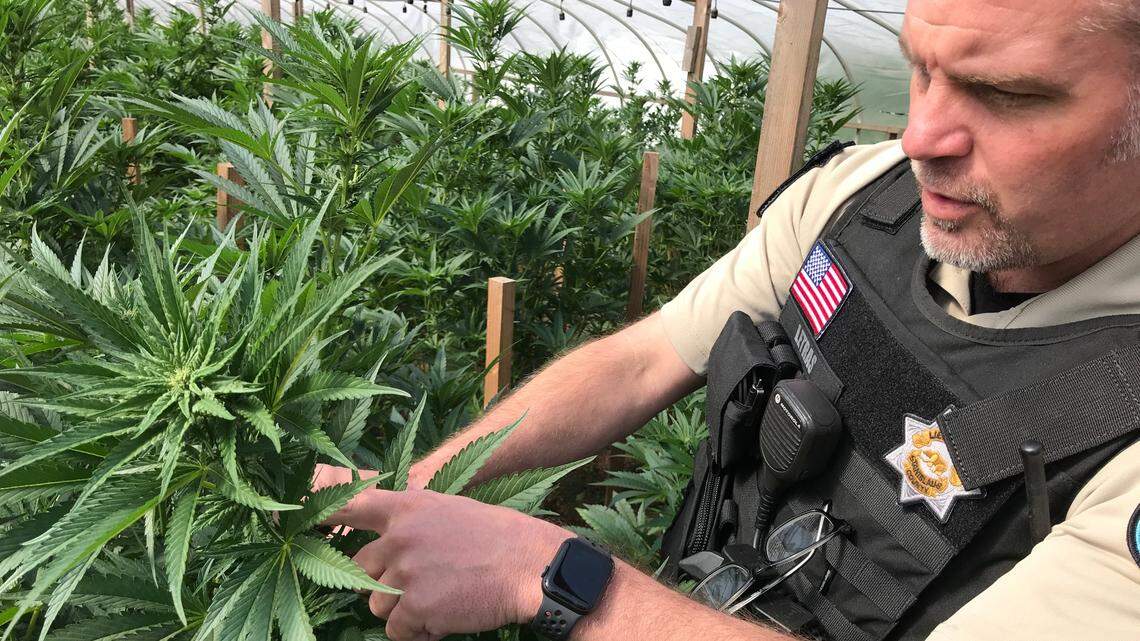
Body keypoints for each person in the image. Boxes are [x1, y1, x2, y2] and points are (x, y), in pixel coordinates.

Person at [313, 0, 1140, 639]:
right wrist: (419, 488)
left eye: (1006, 93)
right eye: (920, 69)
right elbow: (642, 361)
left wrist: (550, 575)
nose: (921, 134)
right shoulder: (861, 199)